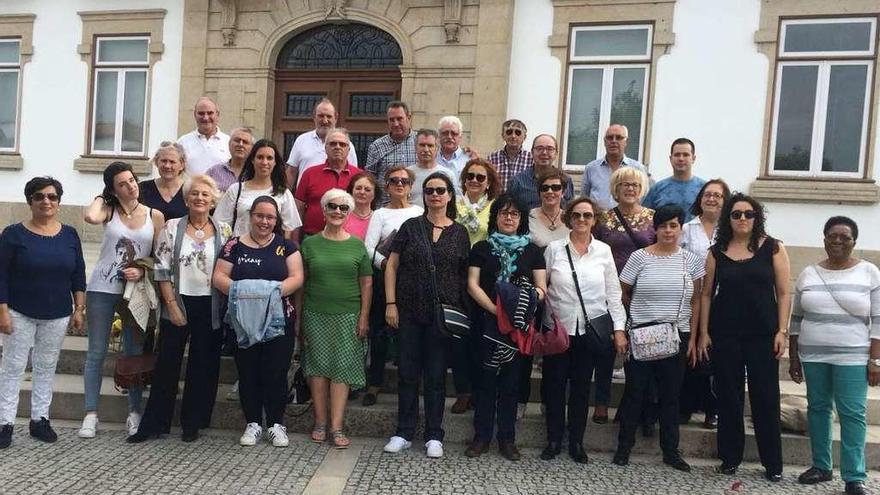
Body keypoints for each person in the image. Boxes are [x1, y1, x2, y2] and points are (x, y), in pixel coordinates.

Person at [126, 175, 229, 443]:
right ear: (186, 199)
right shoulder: (172, 227)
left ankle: (192, 423)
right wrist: (171, 305)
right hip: (178, 301)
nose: (199, 198)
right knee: (167, 365)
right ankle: (154, 424)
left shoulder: (225, 231)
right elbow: (160, 269)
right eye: (194, 194)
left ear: (213, 201)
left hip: (210, 306)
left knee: (202, 365)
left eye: (205, 194)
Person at [697, 193, 791, 482]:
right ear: (728, 218)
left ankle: (772, 463)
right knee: (728, 398)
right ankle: (730, 457)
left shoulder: (773, 248)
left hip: (762, 335)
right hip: (725, 335)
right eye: (736, 214)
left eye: (747, 214)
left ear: (756, 217)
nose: (742, 219)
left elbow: (785, 292)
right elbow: (705, 294)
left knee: (766, 398)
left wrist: (781, 330)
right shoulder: (716, 252)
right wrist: (703, 333)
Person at [789, 216, 879, 495]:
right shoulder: (808, 274)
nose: (838, 241)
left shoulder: (869, 272)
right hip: (813, 354)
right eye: (832, 236)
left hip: (852, 356)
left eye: (845, 237)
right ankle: (821, 466)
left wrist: (875, 360)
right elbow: (795, 320)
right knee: (818, 409)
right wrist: (793, 358)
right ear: (824, 239)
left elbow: (878, 319)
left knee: (852, 413)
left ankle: (854, 477)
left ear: (854, 241)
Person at [383, 172, 470, 458]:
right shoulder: (410, 227)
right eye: (430, 190)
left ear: (449, 195)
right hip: (408, 310)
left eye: (440, 190)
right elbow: (392, 266)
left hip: (441, 316)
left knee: (435, 376)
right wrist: (391, 303)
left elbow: (462, 276)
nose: (434, 195)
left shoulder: (459, 232)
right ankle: (404, 431)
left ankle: (434, 434)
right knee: (407, 373)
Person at [612, 205, 705, 472]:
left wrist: (694, 336)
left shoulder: (692, 261)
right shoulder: (639, 257)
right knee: (635, 392)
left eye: (673, 225)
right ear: (655, 228)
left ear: (680, 228)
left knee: (671, 395)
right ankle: (623, 448)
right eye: (663, 225)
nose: (668, 230)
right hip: (642, 334)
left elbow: (697, 300)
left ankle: (671, 451)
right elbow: (623, 292)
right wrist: (636, 319)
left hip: (677, 334)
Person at [79, 162, 165, 439]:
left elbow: (161, 255)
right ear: (113, 189)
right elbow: (91, 218)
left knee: (133, 353)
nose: (131, 186)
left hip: (136, 292)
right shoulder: (108, 210)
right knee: (96, 352)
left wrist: (142, 269)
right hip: (102, 288)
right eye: (122, 184)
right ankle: (91, 414)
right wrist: (103, 197)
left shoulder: (155, 215)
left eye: (132, 180)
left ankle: (134, 412)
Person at [0, 177, 86, 448]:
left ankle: (40, 419)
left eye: (51, 196)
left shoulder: (70, 234)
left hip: (58, 313)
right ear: (30, 201)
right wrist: (2, 311)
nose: (46, 201)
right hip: (18, 311)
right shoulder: (13, 234)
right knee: (12, 368)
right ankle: (5, 423)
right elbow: (0, 275)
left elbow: (78, 274)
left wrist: (79, 308)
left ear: (59, 202)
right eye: (39, 196)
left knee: (46, 367)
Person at [213, 196, 304, 447]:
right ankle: (252, 423)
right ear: (250, 216)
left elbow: (296, 278)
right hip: (242, 320)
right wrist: (246, 294)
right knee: (248, 371)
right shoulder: (233, 246)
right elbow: (219, 276)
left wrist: (266, 294)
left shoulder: (287, 247)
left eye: (270, 217)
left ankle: (276, 423)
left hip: (279, 320)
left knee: (275, 372)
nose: (264, 221)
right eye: (260, 216)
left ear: (277, 220)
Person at [540, 197, 625, 463]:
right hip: (559, 329)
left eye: (587, 216)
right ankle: (553, 440)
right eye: (576, 215)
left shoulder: (603, 251)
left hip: (590, 331)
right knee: (553, 387)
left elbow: (613, 292)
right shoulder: (554, 249)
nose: (581, 220)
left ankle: (576, 442)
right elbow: (545, 288)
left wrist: (620, 328)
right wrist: (543, 328)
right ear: (569, 219)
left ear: (594, 220)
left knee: (580, 389)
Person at [464, 194, 546, 461]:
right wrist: (497, 310)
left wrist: (520, 306)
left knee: (512, 384)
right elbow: (473, 284)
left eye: (514, 214)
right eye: (503, 213)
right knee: (485, 381)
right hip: (487, 322)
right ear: (495, 217)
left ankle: (507, 439)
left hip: (519, 327)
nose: (509, 218)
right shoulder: (482, 249)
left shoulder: (533, 251)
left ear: (521, 220)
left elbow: (541, 288)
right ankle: (481, 437)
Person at [298, 189, 373, 449]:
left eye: (343, 208)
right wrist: (299, 321)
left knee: (341, 369)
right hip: (315, 312)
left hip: (348, 315)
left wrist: (363, 316)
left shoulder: (356, 245)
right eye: (332, 206)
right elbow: (301, 284)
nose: (337, 211)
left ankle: (336, 426)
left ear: (349, 212)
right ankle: (319, 421)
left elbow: (366, 284)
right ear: (323, 209)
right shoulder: (309, 244)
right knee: (317, 369)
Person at [594, 166, 655, 430]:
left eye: (634, 185)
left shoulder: (653, 218)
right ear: (615, 189)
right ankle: (601, 402)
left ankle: (633, 407)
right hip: (610, 291)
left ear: (642, 189)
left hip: (643, 293)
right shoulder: (603, 219)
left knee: (638, 352)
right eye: (624, 184)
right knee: (607, 349)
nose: (630, 189)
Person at [361, 166, 423, 407]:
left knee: (410, 334)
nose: (399, 184)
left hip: (413, 280)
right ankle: (374, 383)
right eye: (394, 181)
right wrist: (386, 263)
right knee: (380, 333)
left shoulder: (419, 212)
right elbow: (368, 246)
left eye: (404, 181)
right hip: (384, 276)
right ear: (386, 186)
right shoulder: (379, 214)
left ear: (410, 186)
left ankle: (409, 386)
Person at [678, 179, 731, 430]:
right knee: (690, 352)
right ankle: (686, 406)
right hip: (689, 297)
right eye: (707, 194)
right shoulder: (687, 229)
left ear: (725, 200)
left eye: (717, 196)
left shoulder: (731, 230)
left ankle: (713, 409)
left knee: (714, 354)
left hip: (722, 299)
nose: (712, 199)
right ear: (700, 198)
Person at [214, 139, 302, 238]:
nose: (264, 162)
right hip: (239, 249)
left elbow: (288, 230)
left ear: (275, 162)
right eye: (260, 157)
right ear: (252, 160)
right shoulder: (236, 190)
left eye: (269, 158)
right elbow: (221, 224)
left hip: (271, 252)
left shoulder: (283, 193)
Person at [295, 128, 360, 236]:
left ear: (349, 149)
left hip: (348, 239)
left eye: (342, 144)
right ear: (325, 148)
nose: (337, 147)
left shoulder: (359, 176)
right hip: (312, 238)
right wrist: (294, 240)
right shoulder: (309, 174)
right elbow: (298, 209)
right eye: (333, 144)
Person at [286, 98, 358, 191]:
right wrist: (284, 198)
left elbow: (353, 176)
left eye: (329, 116)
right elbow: (291, 172)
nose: (325, 121)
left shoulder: (346, 145)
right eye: (321, 116)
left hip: (338, 203)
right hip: (307, 199)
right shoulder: (301, 140)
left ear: (336, 118)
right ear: (314, 118)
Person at [581, 124, 648, 210]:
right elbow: (584, 199)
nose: (614, 141)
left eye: (619, 137)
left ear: (626, 142)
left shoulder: (637, 168)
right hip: (598, 221)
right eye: (610, 138)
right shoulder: (591, 168)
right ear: (604, 141)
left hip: (627, 221)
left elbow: (644, 198)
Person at [366, 101, 417, 205]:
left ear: (409, 117)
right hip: (385, 207)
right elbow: (369, 180)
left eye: (399, 119)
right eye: (392, 120)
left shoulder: (420, 143)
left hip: (415, 208)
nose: (396, 124)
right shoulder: (377, 146)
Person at [642, 138, 706, 221]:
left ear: (693, 158)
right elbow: (645, 220)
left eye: (686, 155)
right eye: (677, 155)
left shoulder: (704, 189)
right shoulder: (657, 189)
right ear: (670, 158)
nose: (681, 159)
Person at [507, 134, 574, 210]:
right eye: (539, 148)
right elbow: (509, 210)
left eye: (549, 149)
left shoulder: (566, 180)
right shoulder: (517, 181)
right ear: (532, 152)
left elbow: (570, 211)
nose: (544, 152)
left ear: (556, 153)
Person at [177, 97, 230, 176]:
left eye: (210, 113)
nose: (205, 117)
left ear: (217, 114)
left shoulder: (229, 142)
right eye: (201, 113)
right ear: (195, 115)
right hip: (190, 188)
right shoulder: (183, 142)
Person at [456, 158, 500, 246]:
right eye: (470, 176)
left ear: (488, 183)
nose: (474, 180)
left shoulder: (496, 208)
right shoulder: (452, 205)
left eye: (480, 178)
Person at [408, 128, 458, 204]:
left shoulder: (447, 174)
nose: (426, 149)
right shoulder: (406, 174)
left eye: (430, 145)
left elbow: (455, 202)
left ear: (437, 148)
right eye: (422, 145)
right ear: (415, 147)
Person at [139, 141, 188, 221]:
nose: (167, 166)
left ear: (182, 165)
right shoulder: (142, 189)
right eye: (164, 161)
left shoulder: (190, 191)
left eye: (172, 162)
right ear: (156, 162)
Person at [528, 169, 572, 249]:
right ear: (539, 192)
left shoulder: (571, 218)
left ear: (563, 192)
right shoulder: (528, 217)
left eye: (555, 187)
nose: (550, 191)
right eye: (545, 188)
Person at [487, 119, 532, 192]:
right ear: (503, 136)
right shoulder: (492, 158)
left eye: (518, 132)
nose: (513, 136)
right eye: (509, 132)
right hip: (498, 202)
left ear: (524, 137)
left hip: (523, 202)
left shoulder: (531, 159)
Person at [206, 127, 255, 192]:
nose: (240, 145)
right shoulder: (214, 172)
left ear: (252, 148)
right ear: (229, 144)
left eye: (245, 142)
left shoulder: (256, 173)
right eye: (237, 140)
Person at [344, 172, 378, 240]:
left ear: (375, 194)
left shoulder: (378, 217)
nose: (362, 192)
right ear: (351, 191)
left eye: (367, 190)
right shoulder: (342, 216)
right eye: (358, 188)